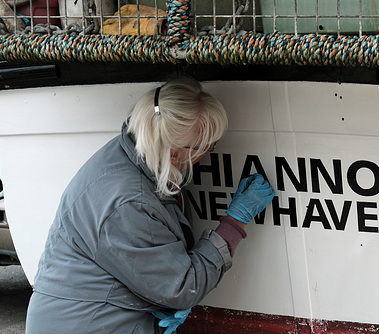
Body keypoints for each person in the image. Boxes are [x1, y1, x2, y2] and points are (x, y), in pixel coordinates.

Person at [25, 77, 275, 334]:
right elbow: (182, 286)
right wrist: (234, 222)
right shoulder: (130, 202)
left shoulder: (130, 153)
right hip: (89, 325)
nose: (209, 152)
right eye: (208, 146)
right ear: (175, 153)